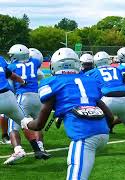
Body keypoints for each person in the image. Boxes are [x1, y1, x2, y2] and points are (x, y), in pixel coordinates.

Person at [21, 48, 112, 180]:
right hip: (103, 134)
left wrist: (27, 123)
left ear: (55, 65)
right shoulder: (90, 80)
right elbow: (109, 116)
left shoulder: (52, 82)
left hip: (83, 136)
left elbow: (39, 125)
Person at [86, 50, 125, 153]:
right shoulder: (118, 69)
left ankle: (91, 146)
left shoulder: (92, 72)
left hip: (108, 99)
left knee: (95, 121)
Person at [5, 44, 50, 165]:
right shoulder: (35, 62)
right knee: (36, 124)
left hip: (22, 97)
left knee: (13, 126)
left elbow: (10, 81)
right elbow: (40, 75)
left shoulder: (11, 66)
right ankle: (40, 147)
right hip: (37, 97)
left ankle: (18, 149)